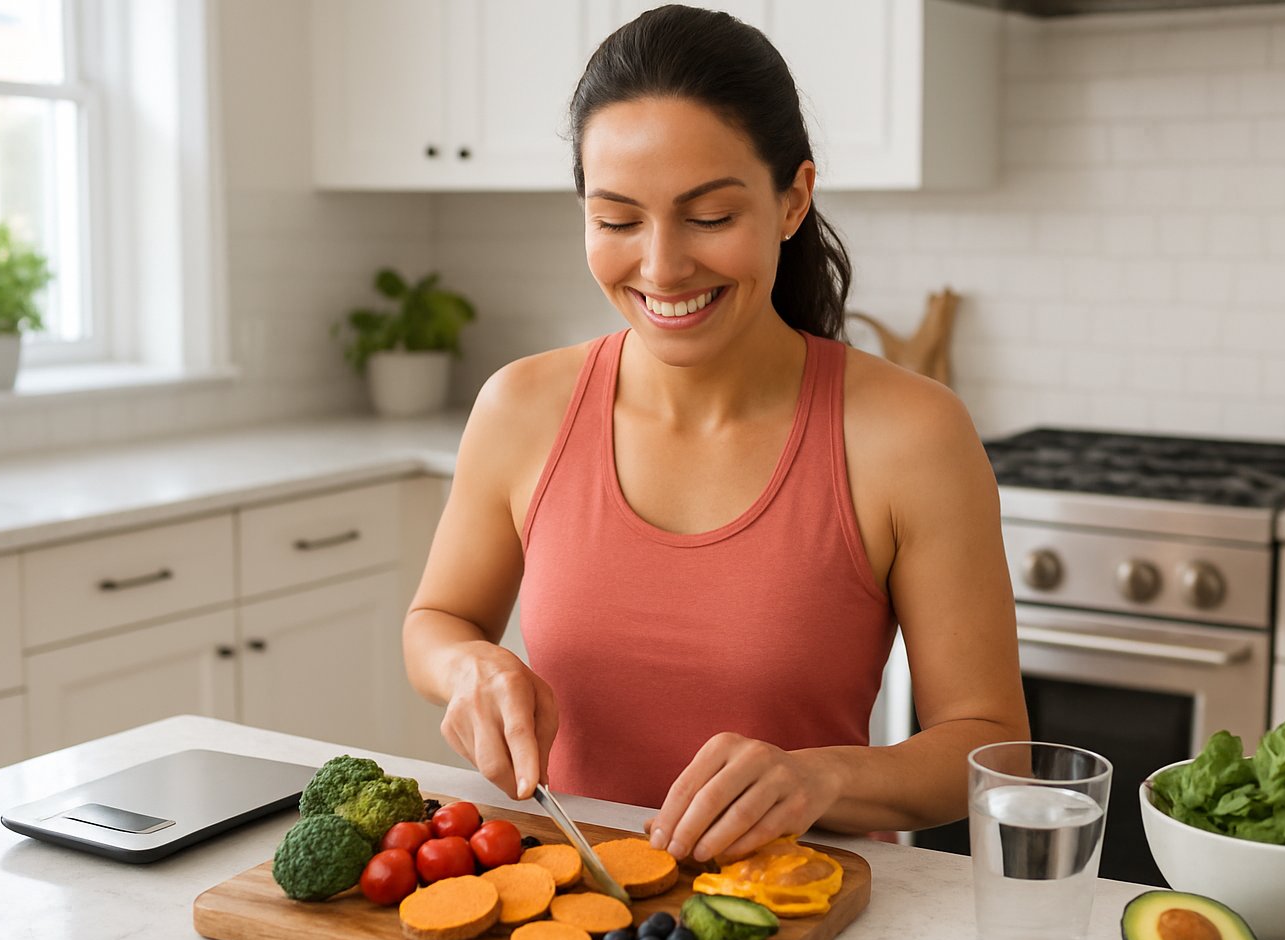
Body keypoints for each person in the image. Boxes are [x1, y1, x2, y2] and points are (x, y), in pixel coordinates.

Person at [402, 5, 1028, 866]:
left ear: (791, 199)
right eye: (618, 220)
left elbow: (991, 746)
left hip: (799, 916)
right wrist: (469, 667)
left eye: (708, 217)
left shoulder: (911, 436)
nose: (661, 267)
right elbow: (437, 620)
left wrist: (824, 779)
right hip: (577, 903)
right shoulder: (520, 407)